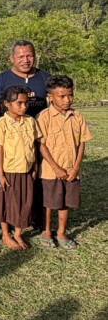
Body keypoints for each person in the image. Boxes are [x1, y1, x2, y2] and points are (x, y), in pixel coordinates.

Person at [37, 76, 92, 249]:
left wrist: (76, 167)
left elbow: (82, 142)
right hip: (50, 171)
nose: (67, 100)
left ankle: (61, 231)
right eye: (62, 96)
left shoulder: (77, 116)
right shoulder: (43, 117)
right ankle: (46, 231)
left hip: (71, 170)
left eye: (70, 95)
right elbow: (41, 145)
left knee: (65, 202)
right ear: (50, 97)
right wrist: (56, 168)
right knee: (49, 202)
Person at [0, 87, 42, 252]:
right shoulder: (1, 124)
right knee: (5, 203)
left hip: (26, 169)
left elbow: (34, 145)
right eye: (19, 103)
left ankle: (18, 233)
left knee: (25, 202)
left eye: (26, 103)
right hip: (9, 170)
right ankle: (6, 235)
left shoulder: (30, 121)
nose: (24, 106)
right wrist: (0, 174)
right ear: (7, 104)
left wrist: (35, 166)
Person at [0, 41, 51, 124]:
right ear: (12, 58)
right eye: (21, 57)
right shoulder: (1, 80)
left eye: (29, 56)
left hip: (40, 128)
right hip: (10, 129)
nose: (26, 60)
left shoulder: (46, 78)